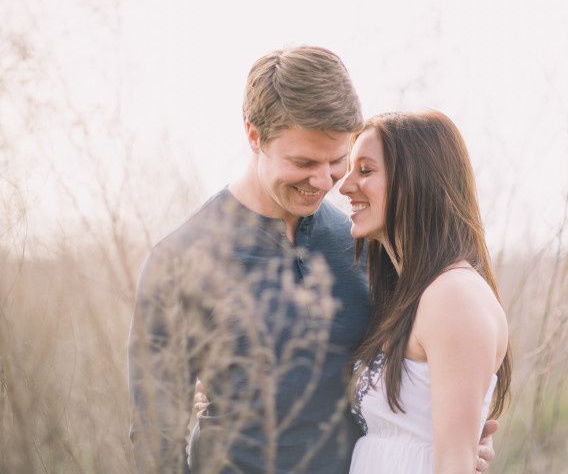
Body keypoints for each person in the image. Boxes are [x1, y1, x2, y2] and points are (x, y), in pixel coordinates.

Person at [128, 46, 497, 474]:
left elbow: (428, 375)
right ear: (253, 136)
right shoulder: (179, 261)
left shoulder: (367, 245)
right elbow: (155, 439)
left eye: (337, 161)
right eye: (303, 162)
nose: (324, 181)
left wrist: (456, 444)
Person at [339, 111, 511, 474]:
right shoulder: (412, 294)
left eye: (366, 171)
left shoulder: (454, 297)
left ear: (416, 181)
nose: (345, 185)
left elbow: (455, 462)